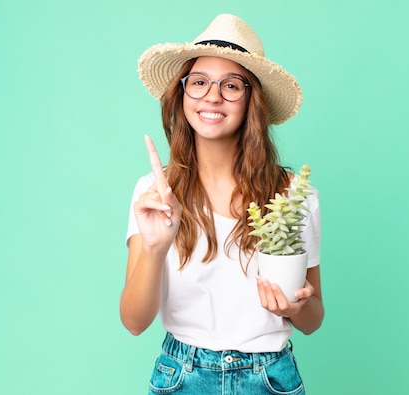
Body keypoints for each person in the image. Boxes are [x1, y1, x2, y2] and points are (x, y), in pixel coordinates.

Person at [120, 14, 323, 395]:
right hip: (181, 376)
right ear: (181, 96)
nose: (212, 96)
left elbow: (314, 319)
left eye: (231, 85)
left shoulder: (293, 196)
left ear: (252, 101)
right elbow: (133, 321)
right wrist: (154, 247)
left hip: (270, 378)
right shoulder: (154, 193)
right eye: (198, 82)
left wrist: (295, 308)